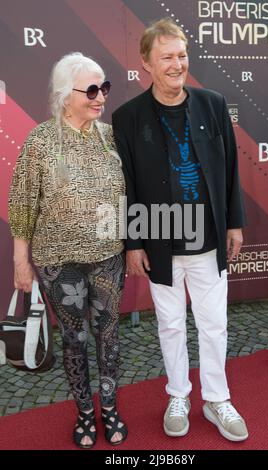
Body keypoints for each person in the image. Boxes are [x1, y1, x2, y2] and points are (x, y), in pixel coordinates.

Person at [112, 18, 248, 442]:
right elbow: (127, 183)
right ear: (146, 64)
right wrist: (133, 242)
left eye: (182, 55)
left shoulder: (213, 104)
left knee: (215, 324)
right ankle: (178, 394)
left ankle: (217, 399)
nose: (177, 64)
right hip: (159, 239)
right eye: (167, 57)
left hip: (208, 240)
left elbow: (229, 171)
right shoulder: (127, 117)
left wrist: (235, 223)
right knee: (170, 325)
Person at [8, 52, 127, 449]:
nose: (100, 97)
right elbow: (23, 203)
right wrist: (20, 259)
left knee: (108, 335)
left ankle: (109, 407)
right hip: (59, 260)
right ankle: (84, 412)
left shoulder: (112, 137)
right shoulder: (40, 141)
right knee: (74, 338)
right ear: (64, 94)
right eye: (91, 89)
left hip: (109, 254)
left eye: (104, 88)